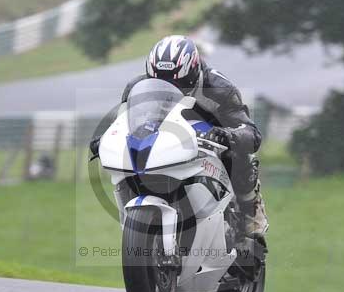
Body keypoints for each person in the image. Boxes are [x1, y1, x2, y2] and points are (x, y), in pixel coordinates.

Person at [92, 35, 268, 237]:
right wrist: (105, 141)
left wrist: (228, 136)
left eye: (178, 83)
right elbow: (124, 122)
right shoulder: (137, 87)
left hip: (209, 137)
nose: (170, 88)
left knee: (238, 155)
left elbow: (251, 133)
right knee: (131, 162)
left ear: (193, 72)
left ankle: (250, 208)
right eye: (160, 82)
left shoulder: (219, 88)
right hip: (165, 140)